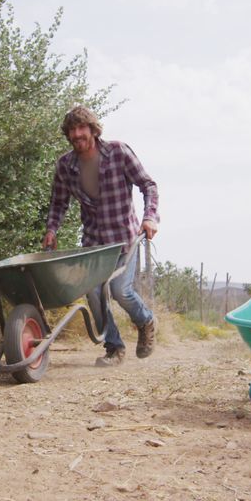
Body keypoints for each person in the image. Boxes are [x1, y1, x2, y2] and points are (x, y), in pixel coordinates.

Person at [43, 106, 159, 367]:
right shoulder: (66, 165)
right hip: (94, 243)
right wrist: (52, 229)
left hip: (123, 240)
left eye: (81, 128)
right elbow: (58, 204)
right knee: (93, 293)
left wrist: (150, 216)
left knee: (120, 291)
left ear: (93, 130)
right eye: (71, 130)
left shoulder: (118, 152)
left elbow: (148, 185)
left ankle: (145, 321)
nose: (77, 134)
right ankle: (114, 348)